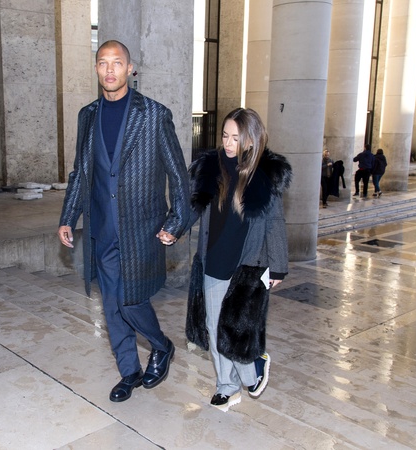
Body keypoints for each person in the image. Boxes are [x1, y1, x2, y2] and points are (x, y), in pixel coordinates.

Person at [58, 40, 190, 403]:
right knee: (112, 306)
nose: (110, 70)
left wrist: (176, 222)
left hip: (141, 229)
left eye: (117, 63)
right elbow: (81, 171)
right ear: (96, 69)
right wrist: (68, 215)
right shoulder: (87, 115)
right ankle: (129, 372)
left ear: (130, 68)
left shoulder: (154, 115)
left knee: (130, 302)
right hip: (102, 227)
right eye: (103, 63)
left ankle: (161, 346)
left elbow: (179, 176)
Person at [185, 108, 292, 412]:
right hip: (214, 258)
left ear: (251, 140)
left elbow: (274, 222)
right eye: (225, 136)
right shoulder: (212, 168)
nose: (228, 143)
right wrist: (173, 228)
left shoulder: (265, 175)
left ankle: (251, 369)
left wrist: (278, 266)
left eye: (236, 138)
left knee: (235, 329)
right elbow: (193, 207)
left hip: (248, 264)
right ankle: (227, 386)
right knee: (213, 326)